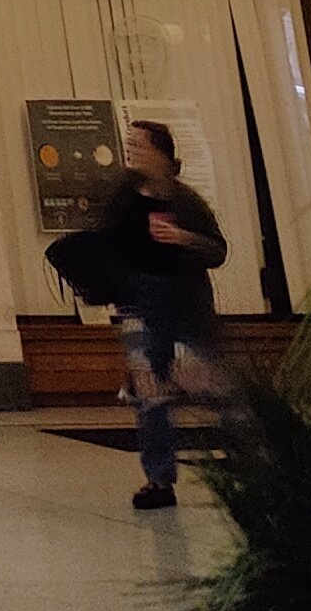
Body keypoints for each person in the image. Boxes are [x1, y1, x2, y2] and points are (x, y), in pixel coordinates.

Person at [96, 118, 236, 511]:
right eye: (129, 145)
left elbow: (218, 251)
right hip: (141, 309)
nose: (131, 151)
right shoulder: (123, 201)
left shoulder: (186, 202)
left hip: (186, 308)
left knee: (215, 386)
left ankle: (250, 459)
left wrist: (184, 239)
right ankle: (159, 479)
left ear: (160, 153)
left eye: (139, 145)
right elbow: (107, 249)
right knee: (150, 393)